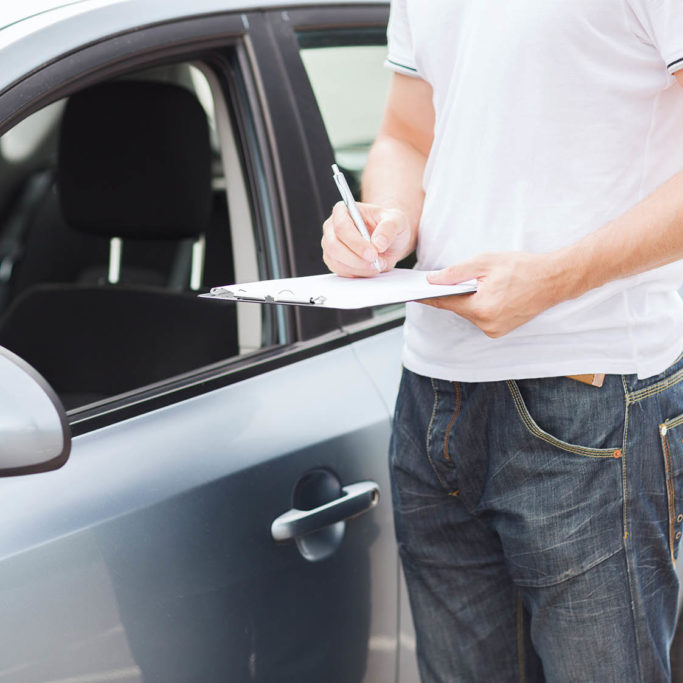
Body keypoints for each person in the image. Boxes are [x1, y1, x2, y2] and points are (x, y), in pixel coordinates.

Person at [322, 1, 683, 681]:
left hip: (591, 393)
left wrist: (554, 279)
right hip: (433, 393)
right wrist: (388, 221)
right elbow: (405, 135)